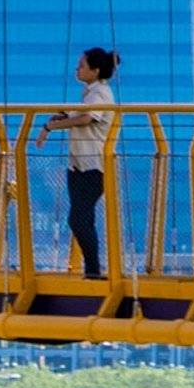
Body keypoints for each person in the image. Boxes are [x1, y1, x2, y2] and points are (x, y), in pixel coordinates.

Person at [59, 46, 120, 278]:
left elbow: (87, 118)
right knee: (84, 217)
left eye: (82, 65)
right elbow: (80, 113)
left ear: (95, 71)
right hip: (79, 164)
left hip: (93, 166)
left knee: (78, 219)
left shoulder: (100, 94)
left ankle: (93, 270)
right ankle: (92, 268)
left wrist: (51, 126)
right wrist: (65, 114)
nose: (77, 69)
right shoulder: (90, 93)